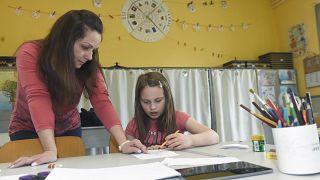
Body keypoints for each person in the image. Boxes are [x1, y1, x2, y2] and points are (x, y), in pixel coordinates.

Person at [9, 9, 146, 168]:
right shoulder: (30, 53)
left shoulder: (88, 64)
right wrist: (50, 150)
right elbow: (38, 97)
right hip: (28, 128)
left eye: (93, 50)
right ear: (65, 40)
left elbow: (102, 101)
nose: (89, 56)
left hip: (68, 128)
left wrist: (123, 143)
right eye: (85, 47)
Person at [125, 72, 219, 150]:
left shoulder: (179, 117)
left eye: (158, 100)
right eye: (146, 102)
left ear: (167, 98)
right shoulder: (133, 124)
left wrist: (189, 140)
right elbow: (129, 156)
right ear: (139, 101)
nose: (152, 107)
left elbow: (214, 136)